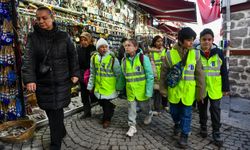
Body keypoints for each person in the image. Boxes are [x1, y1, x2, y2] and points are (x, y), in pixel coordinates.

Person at [22, 6, 79, 150]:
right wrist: (29, 79)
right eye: (38, 18)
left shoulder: (63, 36)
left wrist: (75, 73)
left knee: (57, 112)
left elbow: (73, 55)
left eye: (44, 18)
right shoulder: (33, 37)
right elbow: (28, 59)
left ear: (52, 17)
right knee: (50, 110)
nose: (41, 21)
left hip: (61, 81)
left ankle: (55, 144)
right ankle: (61, 131)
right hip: (44, 82)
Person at [159, 27, 205, 148]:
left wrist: (200, 93)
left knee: (186, 114)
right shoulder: (169, 55)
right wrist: (163, 89)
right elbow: (163, 73)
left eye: (193, 40)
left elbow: (199, 74)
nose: (192, 42)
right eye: (189, 40)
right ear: (181, 40)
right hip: (174, 91)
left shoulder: (195, 54)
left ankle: (184, 135)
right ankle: (177, 123)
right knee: (174, 112)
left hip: (188, 92)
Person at [196, 28, 230, 146]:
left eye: (209, 39)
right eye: (204, 39)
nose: (207, 42)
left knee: (215, 110)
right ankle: (203, 127)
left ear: (213, 40)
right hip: (201, 88)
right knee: (202, 110)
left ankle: (216, 132)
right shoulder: (195, 53)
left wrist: (225, 88)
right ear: (200, 40)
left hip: (215, 88)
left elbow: (224, 71)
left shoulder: (219, 52)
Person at [121, 39, 154, 137]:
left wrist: (149, 91)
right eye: (125, 46)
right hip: (130, 90)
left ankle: (149, 113)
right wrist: (118, 87)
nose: (126, 47)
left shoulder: (143, 58)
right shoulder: (123, 61)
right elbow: (123, 76)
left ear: (135, 47)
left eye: (129, 45)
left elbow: (149, 76)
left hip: (142, 90)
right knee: (131, 109)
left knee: (145, 108)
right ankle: (132, 126)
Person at [87, 38, 122, 128]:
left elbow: (118, 74)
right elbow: (93, 73)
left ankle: (107, 119)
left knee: (107, 104)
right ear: (98, 48)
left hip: (110, 87)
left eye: (105, 46)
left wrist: (119, 87)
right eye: (101, 47)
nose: (104, 49)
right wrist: (90, 85)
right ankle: (109, 111)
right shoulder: (94, 58)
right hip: (99, 87)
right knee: (102, 103)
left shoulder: (112, 59)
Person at [76, 32, 97, 119]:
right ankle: (87, 112)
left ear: (89, 40)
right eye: (82, 40)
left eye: (85, 40)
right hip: (82, 74)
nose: (83, 42)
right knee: (84, 94)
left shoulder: (94, 49)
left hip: (92, 74)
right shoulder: (78, 49)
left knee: (94, 94)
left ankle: (107, 108)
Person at [148, 35, 169, 115]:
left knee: (164, 90)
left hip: (164, 73)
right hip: (155, 74)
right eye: (158, 41)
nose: (160, 43)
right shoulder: (151, 52)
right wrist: (154, 74)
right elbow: (151, 64)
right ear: (154, 42)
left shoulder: (165, 50)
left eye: (161, 41)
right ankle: (157, 108)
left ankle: (165, 104)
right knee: (157, 92)